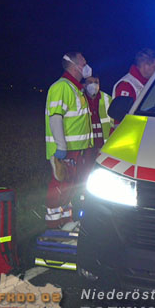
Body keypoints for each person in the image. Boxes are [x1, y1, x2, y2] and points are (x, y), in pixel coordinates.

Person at [44, 52, 93, 228]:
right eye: (84, 63)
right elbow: (56, 118)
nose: (87, 66)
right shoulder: (62, 87)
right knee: (59, 188)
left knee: (68, 189)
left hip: (75, 149)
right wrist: (61, 146)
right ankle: (53, 227)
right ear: (75, 66)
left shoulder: (75, 88)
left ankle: (66, 223)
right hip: (64, 150)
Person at [82, 76, 113, 177]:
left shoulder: (107, 99)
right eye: (90, 82)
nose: (94, 85)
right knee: (85, 172)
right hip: (87, 146)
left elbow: (114, 122)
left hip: (104, 145)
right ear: (84, 84)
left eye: (96, 82)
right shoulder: (79, 98)